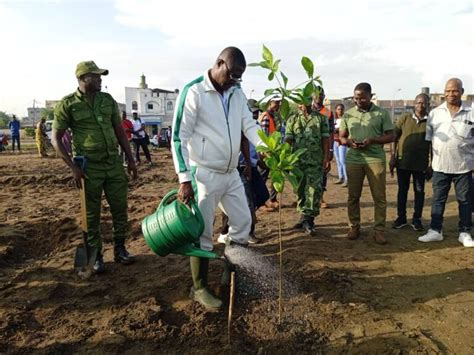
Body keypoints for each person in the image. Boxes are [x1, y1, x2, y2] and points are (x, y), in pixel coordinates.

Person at [171, 47, 263, 311]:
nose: (234, 80)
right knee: (202, 232)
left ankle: (229, 271)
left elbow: (249, 125)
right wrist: (184, 178)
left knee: (243, 221)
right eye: (232, 74)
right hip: (204, 174)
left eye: (239, 77)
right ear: (219, 63)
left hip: (231, 172)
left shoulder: (236, 91)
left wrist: (268, 147)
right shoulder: (195, 91)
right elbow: (179, 136)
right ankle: (199, 288)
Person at [52, 60, 138, 274]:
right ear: (82, 78)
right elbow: (56, 138)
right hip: (88, 168)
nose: (100, 80)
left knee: (120, 209)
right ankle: (96, 256)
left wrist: (130, 159)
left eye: (101, 76)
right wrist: (72, 167)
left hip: (113, 164)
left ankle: (120, 249)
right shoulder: (68, 104)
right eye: (96, 76)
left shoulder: (107, 100)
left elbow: (119, 131)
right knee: (91, 215)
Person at [418, 78, 473, 247]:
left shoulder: (471, 112)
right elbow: (429, 141)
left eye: (455, 91)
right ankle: (435, 231)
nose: (451, 94)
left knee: (464, 200)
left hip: (464, 166)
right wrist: (429, 162)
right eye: (447, 91)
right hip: (440, 166)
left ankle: (464, 232)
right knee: (438, 200)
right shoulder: (435, 113)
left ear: (462, 92)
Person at [339, 82, 395, 245]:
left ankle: (379, 231)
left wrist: (373, 140)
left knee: (379, 197)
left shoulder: (382, 113)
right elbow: (342, 137)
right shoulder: (348, 115)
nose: (359, 101)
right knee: (353, 196)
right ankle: (354, 226)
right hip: (354, 159)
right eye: (356, 98)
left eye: (363, 98)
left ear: (371, 96)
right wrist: (349, 142)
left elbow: (391, 136)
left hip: (375, 159)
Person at [286, 101, 330, 235]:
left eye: (306, 100)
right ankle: (303, 216)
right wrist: (285, 159)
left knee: (313, 190)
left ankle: (309, 220)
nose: (304, 104)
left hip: (315, 161)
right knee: (300, 190)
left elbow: (325, 140)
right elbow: (288, 140)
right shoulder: (292, 119)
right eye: (301, 101)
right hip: (297, 162)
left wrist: (326, 158)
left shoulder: (321, 118)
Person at [390, 93, 431, 231]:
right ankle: (401, 218)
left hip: (421, 164)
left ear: (428, 104)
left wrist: (431, 164)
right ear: (414, 103)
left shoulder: (431, 121)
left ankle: (417, 219)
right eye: (418, 102)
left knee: (419, 192)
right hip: (403, 163)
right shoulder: (405, 118)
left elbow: (434, 144)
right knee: (402, 191)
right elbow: (394, 137)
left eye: (424, 102)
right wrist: (392, 157)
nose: (421, 105)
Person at [312, 88, 334, 208]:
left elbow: (331, 133)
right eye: (316, 95)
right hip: (309, 147)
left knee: (323, 173)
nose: (318, 97)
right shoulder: (307, 110)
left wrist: (330, 150)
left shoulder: (328, 113)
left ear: (324, 96)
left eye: (321, 95)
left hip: (323, 147)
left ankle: (320, 198)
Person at [258, 97, 281, 210]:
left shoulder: (274, 116)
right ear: (269, 103)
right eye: (276, 102)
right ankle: (261, 202)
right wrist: (265, 152)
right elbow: (264, 135)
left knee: (275, 175)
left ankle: (272, 199)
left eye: (279, 102)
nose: (278, 104)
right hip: (267, 151)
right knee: (262, 176)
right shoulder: (266, 117)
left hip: (274, 150)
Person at [333, 103, 348, 186]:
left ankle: (347, 179)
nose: (340, 111)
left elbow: (346, 130)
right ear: (336, 110)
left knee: (343, 160)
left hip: (342, 141)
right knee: (338, 160)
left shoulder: (345, 119)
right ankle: (340, 177)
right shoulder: (335, 120)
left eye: (341, 109)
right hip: (335, 141)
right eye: (338, 109)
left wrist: (338, 129)